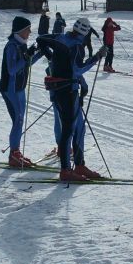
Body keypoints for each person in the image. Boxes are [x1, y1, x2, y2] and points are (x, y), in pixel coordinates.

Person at [38, 17, 106, 182]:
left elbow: (40, 38)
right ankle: (66, 170)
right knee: (70, 129)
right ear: (84, 33)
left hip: (58, 90)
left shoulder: (60, 38)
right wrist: (96, 57)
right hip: (68, 91)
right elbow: (77, 70)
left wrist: (52, 58)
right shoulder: (76, 46)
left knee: (75, 128)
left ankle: (78, 164)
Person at [0, 16, 45, 167]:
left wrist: (39, 53)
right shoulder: (11, 46)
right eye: (27, 29)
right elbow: (12, 69)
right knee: (17, 120)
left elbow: (26, 64)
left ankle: (16, 152)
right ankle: (14, 154)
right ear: (20, 31)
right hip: (10, 89)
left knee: (20, 121)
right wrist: (27, 55)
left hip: (20, 88)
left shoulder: (22, 44)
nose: (30, 32)